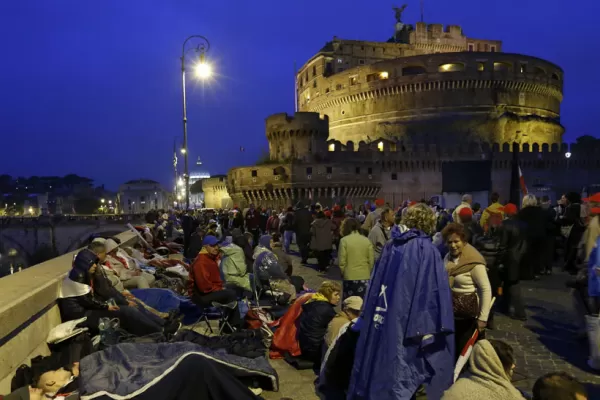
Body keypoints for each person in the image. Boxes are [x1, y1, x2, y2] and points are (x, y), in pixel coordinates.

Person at [349, 203, 455, 400]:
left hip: (385, 313)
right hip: (409, 321)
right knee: (404, 365)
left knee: (383, 359)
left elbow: (375, 282)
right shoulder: (427, 250)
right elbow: (431, 294)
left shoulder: (392, 245)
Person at [58, 249, 173, 337]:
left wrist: (116, 302)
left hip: (89, 310)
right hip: (82, 317)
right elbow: (88, 301)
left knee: (132, 304)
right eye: (92, 263)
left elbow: (96, 296)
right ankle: (159, 331)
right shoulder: (78, 277)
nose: (95, 266)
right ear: (84, 264)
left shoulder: (85, 274)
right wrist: (107, 306)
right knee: (127, 311)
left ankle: (162, 324)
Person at [442, 223, 492, 359]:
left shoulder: (473, 261)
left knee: (464, 354)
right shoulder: (448, 258)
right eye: (449, 242)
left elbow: (486, 289)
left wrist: (483, 318)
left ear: (464, 241)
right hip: (451, 314)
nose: (453, 245)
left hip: (468, 317)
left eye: (456, 241)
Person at [441, 339, 524, 400]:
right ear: (496, 364)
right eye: (510, 363)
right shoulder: (511, 395)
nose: (513, 366)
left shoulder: (455, 390)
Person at [188, 235, 239, 323]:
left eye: (216, 245)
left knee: (233, 288)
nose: (216, 248)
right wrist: (220, 289)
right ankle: (233, 325)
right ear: (205, 247)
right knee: (231, 294)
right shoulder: (201, 262)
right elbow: (204, 287)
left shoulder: (210, 258)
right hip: (201, 296)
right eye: (212, 246)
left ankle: (229, 324)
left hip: (208, 292)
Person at [297, 281, 341, 369]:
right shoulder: (326, 310)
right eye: (336, 295)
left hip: (304, 346)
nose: (339, 298)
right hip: (314, 350)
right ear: (328, 294)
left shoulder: (313, 301)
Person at [498, 203, 528, 321]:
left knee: (513, 285)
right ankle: (504, 306)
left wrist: (499, 260)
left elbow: (503, 245)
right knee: (509, 283)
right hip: (521, 257)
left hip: (510, 258)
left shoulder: (505, 225)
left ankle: (520, 312)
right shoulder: (524, 224)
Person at [339, 218, 374, 300]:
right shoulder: (366, 240)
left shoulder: (344, 241)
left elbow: (342, 261)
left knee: (349, 304)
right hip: (365, 276)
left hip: (350, 276)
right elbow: (371, 261)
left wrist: (343, 272)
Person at [517, 194, 548, 280]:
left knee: (527, 255)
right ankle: (536, 272)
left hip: (527, 236)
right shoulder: (541, 211)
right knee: (537, 255)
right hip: (540, 236)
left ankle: (527, 273)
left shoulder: (521, 212)